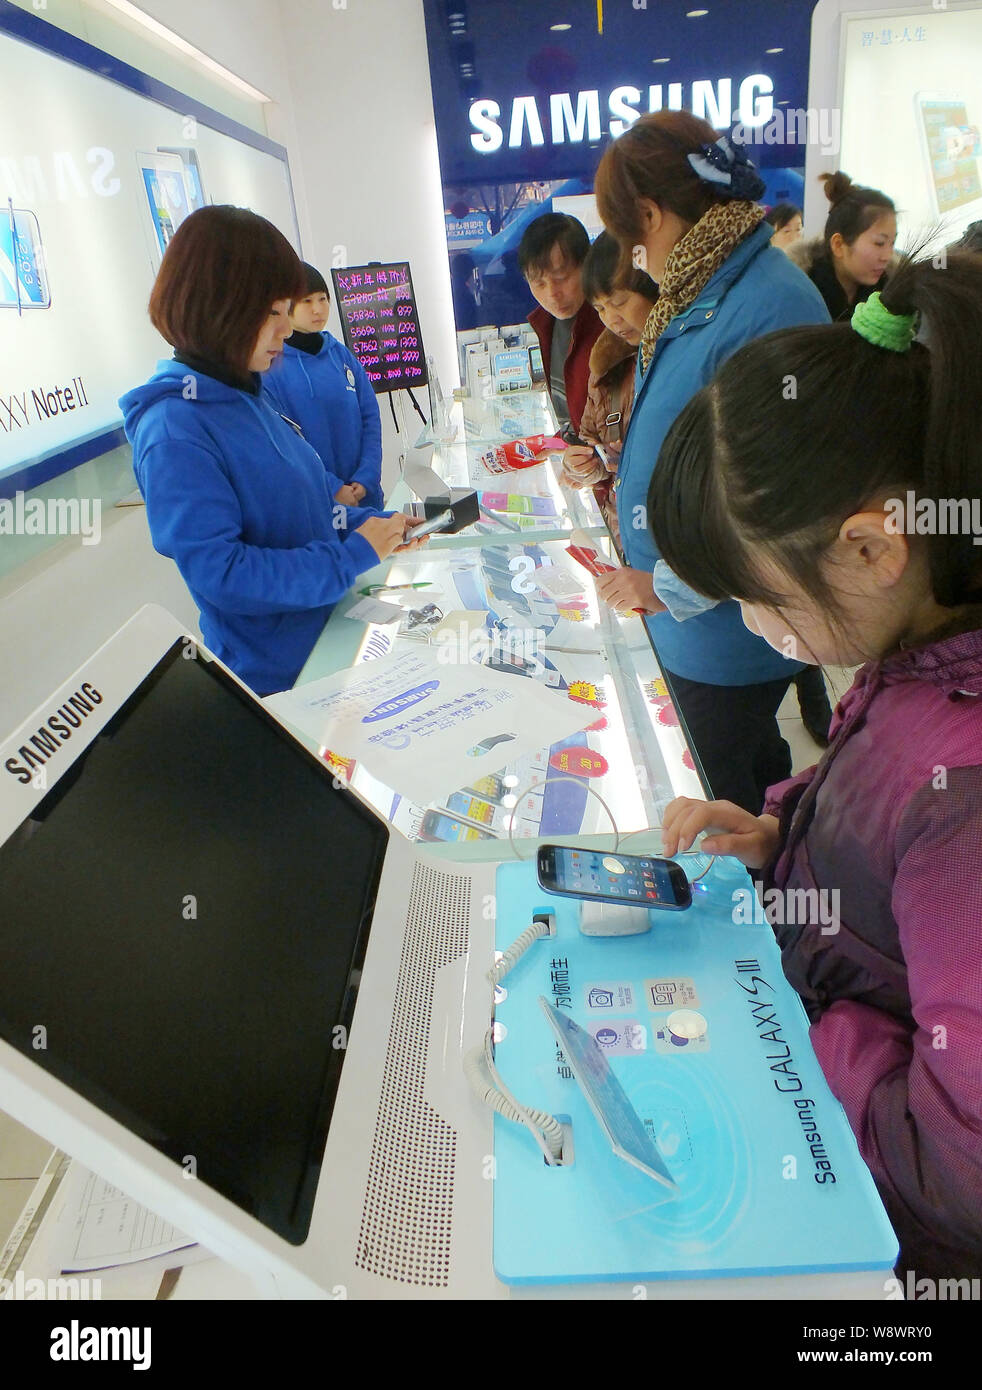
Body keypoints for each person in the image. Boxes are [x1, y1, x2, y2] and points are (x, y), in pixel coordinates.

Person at [656, 250, 982, 1281]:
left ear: (870, 548)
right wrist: (782, 835)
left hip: (884, 1246)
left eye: (763, 600)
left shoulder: (966, 797)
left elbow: (958, 1172)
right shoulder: (915, 644)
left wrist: (807, 1020)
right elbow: (879, 794)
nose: (757, 630)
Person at [592, 110, 830, 812]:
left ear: (649, 215)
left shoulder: (768, 305)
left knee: (719, 804)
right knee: (751, 775)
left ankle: (752, 907)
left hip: (722, 636)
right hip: (695, 624)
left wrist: (670, 586)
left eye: (628, 236)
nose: (632, 253)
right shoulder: (705, 290)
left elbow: (783, 504)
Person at [120, 206, 422, 697]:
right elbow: (223, 573)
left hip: (332, 640)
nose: (287, 330)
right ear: (221, 307)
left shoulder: (248, 393)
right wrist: (347, 559)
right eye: (274, 313)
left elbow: (304, 512)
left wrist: (366, 527)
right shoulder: (174, 428)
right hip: (280, 681)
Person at [559, 231, 658, 549]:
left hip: (683, 553)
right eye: (600, 309)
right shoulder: (605, 366)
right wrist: (582, 465)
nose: (612, 320)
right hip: (629, 541)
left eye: (619, 302)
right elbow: (592, 449)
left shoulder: (687, 356)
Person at [263, 262, 385, 511]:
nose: (318, 309)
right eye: (307, 301)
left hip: (364, 498)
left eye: (322, 298)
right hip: (317, 505)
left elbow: (370, 417)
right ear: (287, 307)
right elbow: (285, 442)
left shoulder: (341, 355)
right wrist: (331, 487)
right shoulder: (271, 365)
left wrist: (366, 477)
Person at [518, 212, 604, 440]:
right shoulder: (547, 325)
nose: (552, 294)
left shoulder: (612, 325)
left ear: (587, 264)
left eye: (562, 277)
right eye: (539, 283)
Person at [787, 171, 896, 321]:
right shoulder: (800, 297)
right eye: (879, 243)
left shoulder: (894, 299)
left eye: (892, 243)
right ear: (838, 245)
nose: (888, 256)